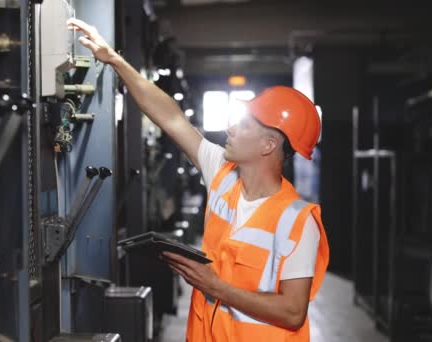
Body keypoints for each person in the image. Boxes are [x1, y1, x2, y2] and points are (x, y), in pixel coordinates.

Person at [67, 18, 329, 341]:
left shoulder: (298, 223)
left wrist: (215, 286)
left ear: (269, 145)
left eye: (245, 125)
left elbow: (292, 311)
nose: (231, 129)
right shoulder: (222, 173)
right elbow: (172, 117)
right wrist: (115, 60)